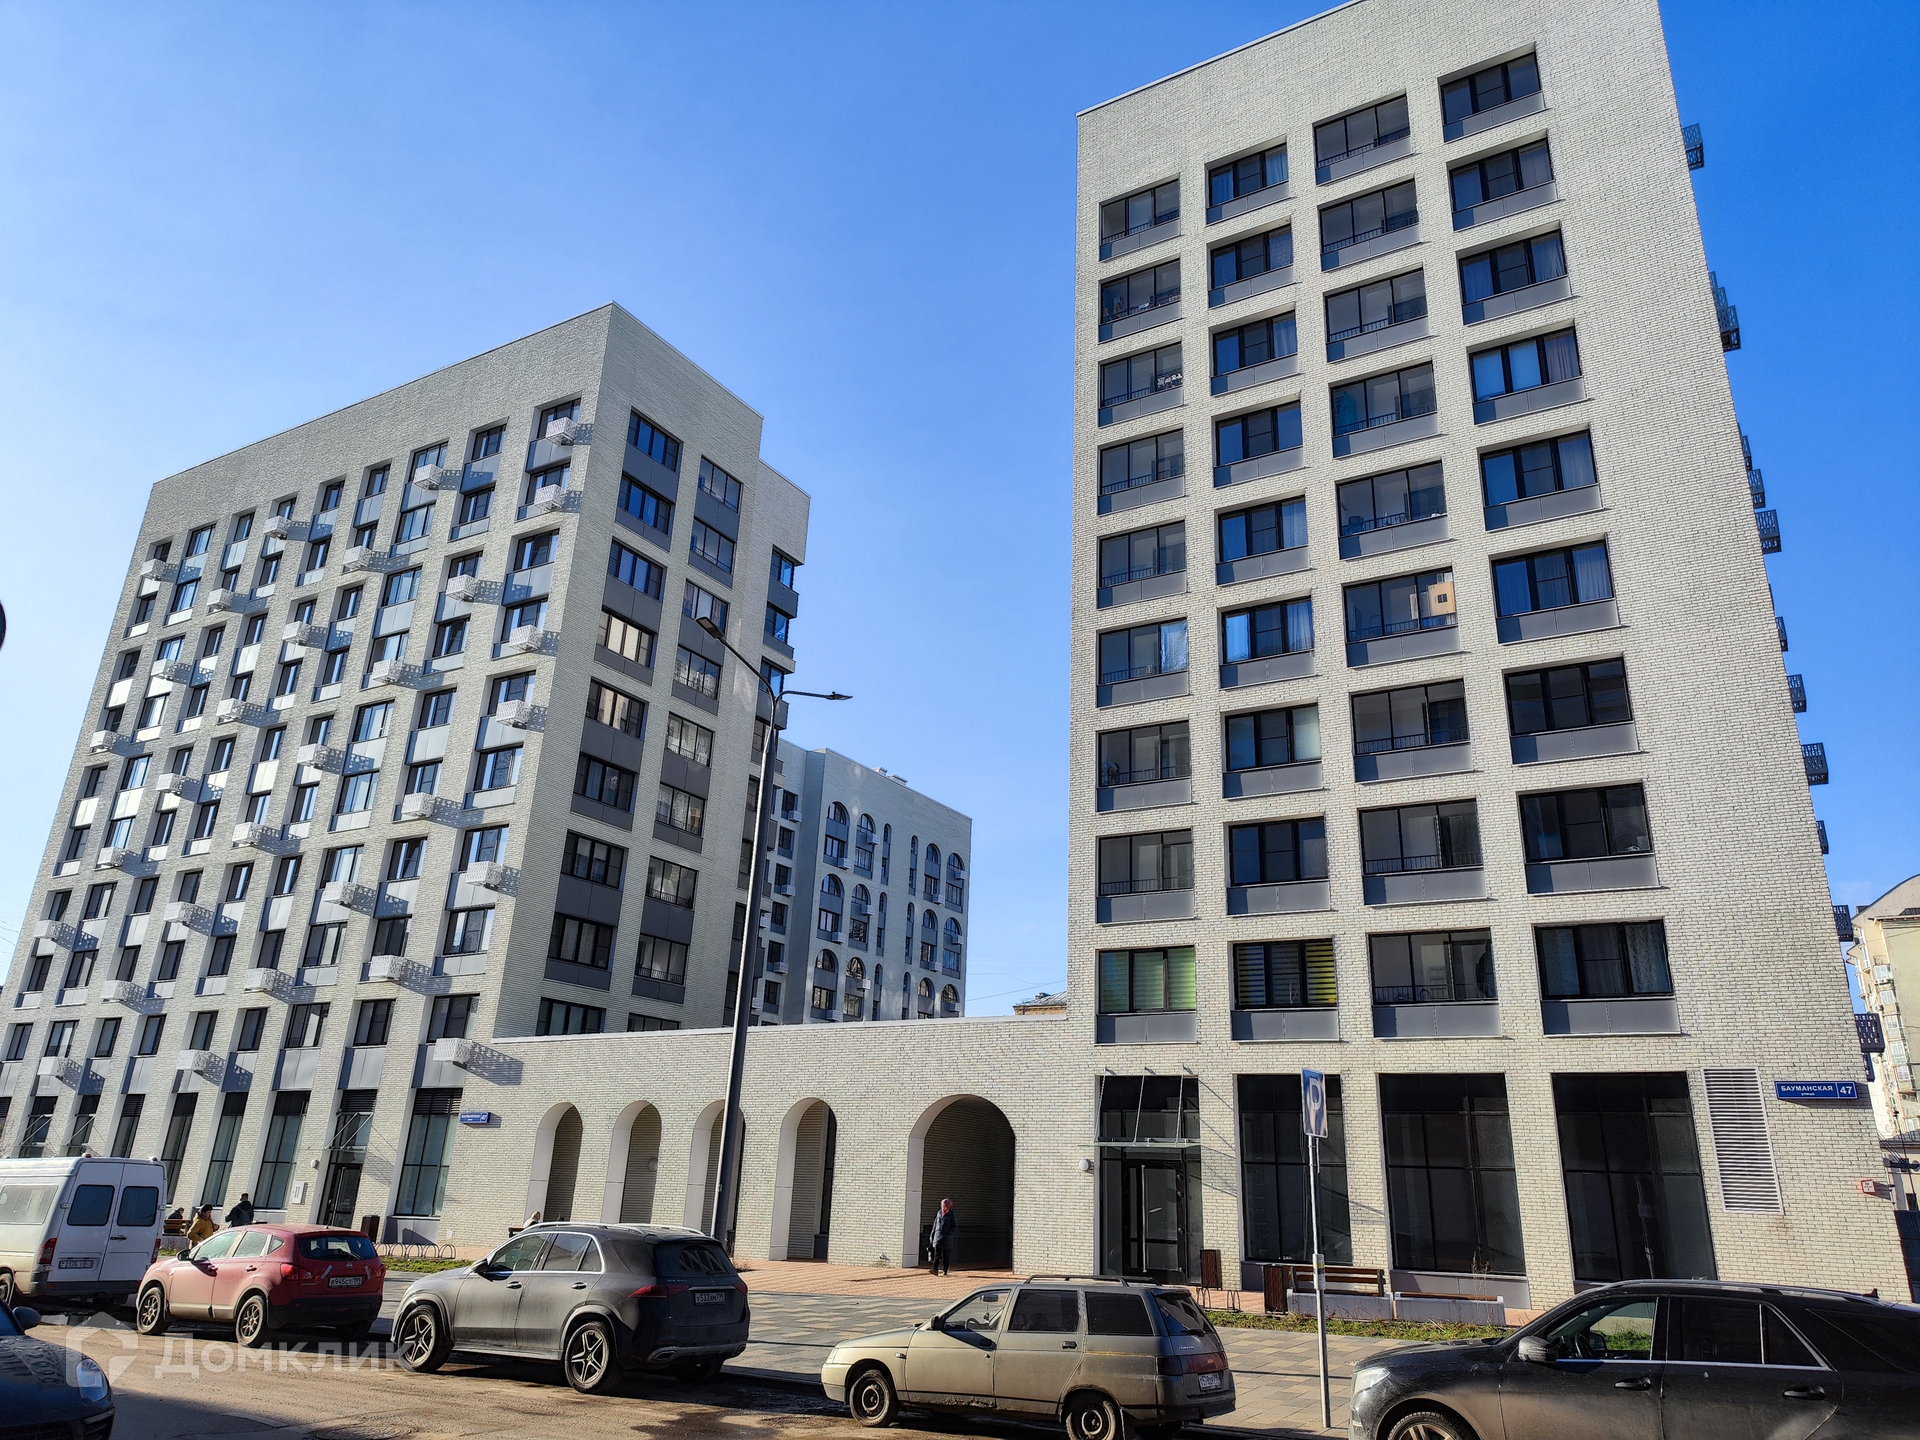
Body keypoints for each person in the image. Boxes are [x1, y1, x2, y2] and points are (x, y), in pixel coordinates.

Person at [929, 1197, 957, 1277]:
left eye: (944, 1205)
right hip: (938, 1237)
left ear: (947, 1206)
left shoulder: (951, 1214)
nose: (942, 1207)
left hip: (946, 1238)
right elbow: (935, 1224)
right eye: (942, 1205)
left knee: (946, 1256)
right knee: (937, 1255)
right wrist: (933, 1234)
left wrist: (948, 1233)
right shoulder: (939, 1213)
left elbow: (954, 1226)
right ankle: (935, 1270)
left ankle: (945, 1270)